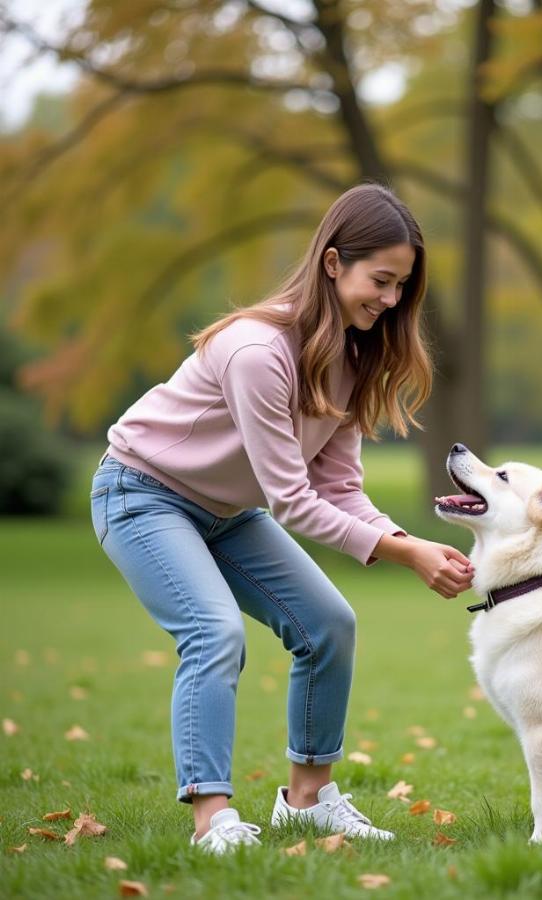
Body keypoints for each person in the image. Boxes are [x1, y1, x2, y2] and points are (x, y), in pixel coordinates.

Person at [89, 183, 474, 853]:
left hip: (226, 511)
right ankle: (212, 819)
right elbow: (293, 501)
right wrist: (403, 554)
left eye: (400, 288)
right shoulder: (257, 352)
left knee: (328, 624)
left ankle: (308, 800)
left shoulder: (351, 359)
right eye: (380, 281)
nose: (389, 301)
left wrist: (408, 542)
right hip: (143, 493)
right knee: (213, 632)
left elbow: (341, 489)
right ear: (332, 263)